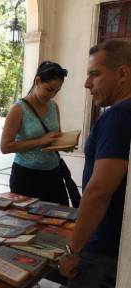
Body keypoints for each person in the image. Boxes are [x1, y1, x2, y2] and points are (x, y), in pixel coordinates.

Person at [58, 39, 131, 288]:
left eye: (94, 74)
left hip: (102, 250)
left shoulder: (118, 115)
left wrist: (74, 250)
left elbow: (100, 190)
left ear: (122, 73)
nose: (87, 83)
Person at [0, 61, 69, 205]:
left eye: (56, 91)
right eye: (49, 89)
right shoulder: (18, 109)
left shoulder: (54, 107)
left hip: (53, 173)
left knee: (59, 220)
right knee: (27, 222)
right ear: (38, 81)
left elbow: (56, 135)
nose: (52, 95)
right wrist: (39, 141)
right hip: (26, 176)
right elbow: (5, 147)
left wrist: (64, 144)